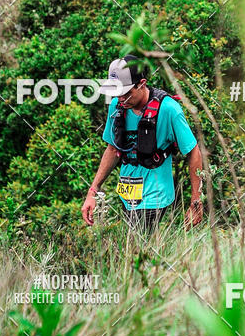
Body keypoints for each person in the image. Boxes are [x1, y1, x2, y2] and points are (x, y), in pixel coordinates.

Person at [81, 55, 204, 236]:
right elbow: (112, 149)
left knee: (137, 243)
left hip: (156, 195)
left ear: (142, 84)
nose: (121, 98)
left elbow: (193, 152)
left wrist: (196, 202)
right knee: (133, 246)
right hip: (127, 193)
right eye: (117, 93)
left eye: (125, 93)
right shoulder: (117, 106)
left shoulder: (169, 109)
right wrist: (92, 191)